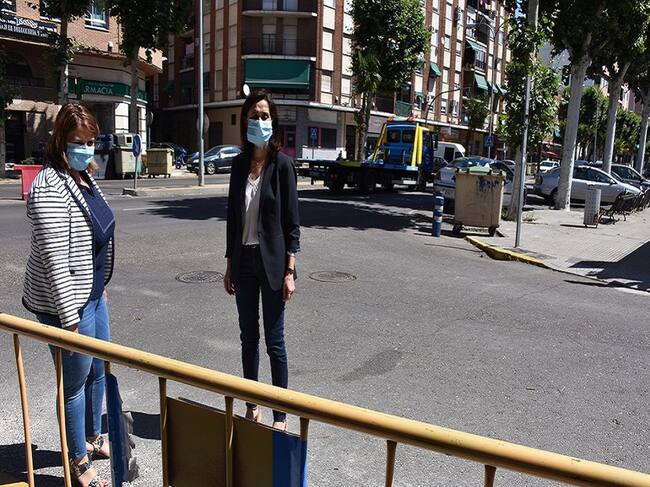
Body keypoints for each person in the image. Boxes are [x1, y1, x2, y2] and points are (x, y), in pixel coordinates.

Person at [23, 104, 114, 487]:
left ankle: (92, 436)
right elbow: (56, 262)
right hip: (66, 305)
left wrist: (100, 286)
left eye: (91, 141)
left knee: (98, 369)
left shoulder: (84, 176)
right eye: (78, 141)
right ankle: (77, 459)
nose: (86, 149)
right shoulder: (48, 187)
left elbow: (95, 236)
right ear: (61, 141)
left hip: (92, 294)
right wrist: (69, 322)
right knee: (74, 383)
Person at [224, 90, 300, 431]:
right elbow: (232, 218)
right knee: (248, 338)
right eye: (254, 115)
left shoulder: (282, 166)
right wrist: (229, 263)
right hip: (243, 262)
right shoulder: (239, 165)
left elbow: (292, 223)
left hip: (272, 265)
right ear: (245, 121)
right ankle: (252, 405)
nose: (259, 121)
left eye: (264, 116)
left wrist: (290, 271)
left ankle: (280, 414)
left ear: (273, 122)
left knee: (275, 341)